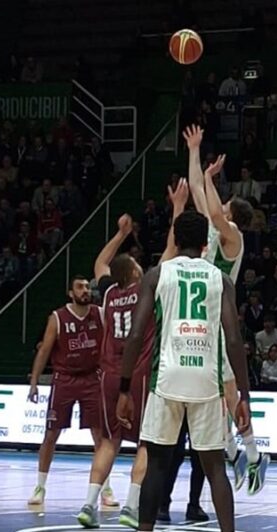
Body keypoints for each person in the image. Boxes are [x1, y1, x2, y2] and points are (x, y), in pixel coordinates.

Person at [116, 210, 252, 532]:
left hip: (167, 378)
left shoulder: (157, 274)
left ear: (175, 240)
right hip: (207, 380)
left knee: (156, 465)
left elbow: (136, 335)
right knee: (215, 468)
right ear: (206, 244)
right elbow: (234, 340)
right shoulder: (221, 279)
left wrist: (124, 388)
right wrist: (244, 396)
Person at [95, 183, 190, 527]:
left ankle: (89, 504)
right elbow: (173, 248)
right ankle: (131, 507)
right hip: (141, 372)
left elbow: (100, 263)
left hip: (109, 372)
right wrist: (177, 207)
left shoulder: (108, 293)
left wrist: (121, 234)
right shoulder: (148, 285)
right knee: (145, 444)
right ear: (135, 272)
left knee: (108, 441)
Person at [183, 125, 269, 494]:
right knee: (213, 396)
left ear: (233, 211)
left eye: (225, 203)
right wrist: (194, 152)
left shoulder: (233, 235)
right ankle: (236, 452)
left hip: (219, 321)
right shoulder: (215, 228)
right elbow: (197, 193)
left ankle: (252, 454)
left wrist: (209, 178)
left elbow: (213, 209)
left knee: (228, 394)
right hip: (200, 322)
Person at [25, 274, 106, 529]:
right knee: (51, 434)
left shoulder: (100, 314)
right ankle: (40, 486)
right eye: (79, 287)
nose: (85, 291)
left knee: (100, 437)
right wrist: (34, 382)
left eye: (87, 287)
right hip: (65, 379)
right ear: (71, 293)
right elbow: (44, 351)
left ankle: (105, 488)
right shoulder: (58, 317)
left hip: (92, 378)